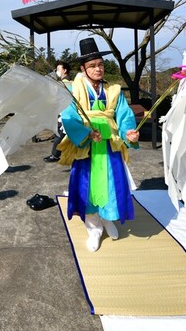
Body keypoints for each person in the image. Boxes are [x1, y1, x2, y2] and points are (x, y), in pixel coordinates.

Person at [58, 38, 140, 252]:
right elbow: (68, 116)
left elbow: (124, 115)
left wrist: (129, 132)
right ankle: (93, 227)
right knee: (89, 186)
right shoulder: (73, 89)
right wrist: (86, 133)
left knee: (112, 184)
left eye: (101, 64)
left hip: (109, 143)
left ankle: (107, 219)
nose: (98, 69)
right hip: (87, 145)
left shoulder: (113, 90)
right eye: (92, 65)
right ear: (83, 68)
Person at [44, 60, 71, 163]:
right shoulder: (64, 82)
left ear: (65, 70)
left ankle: (55, 155)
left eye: (59, 69)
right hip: (63, 111)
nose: (57, 71)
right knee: (62, 133)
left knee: (60, 134)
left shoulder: (66, 83)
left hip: (65, 112)